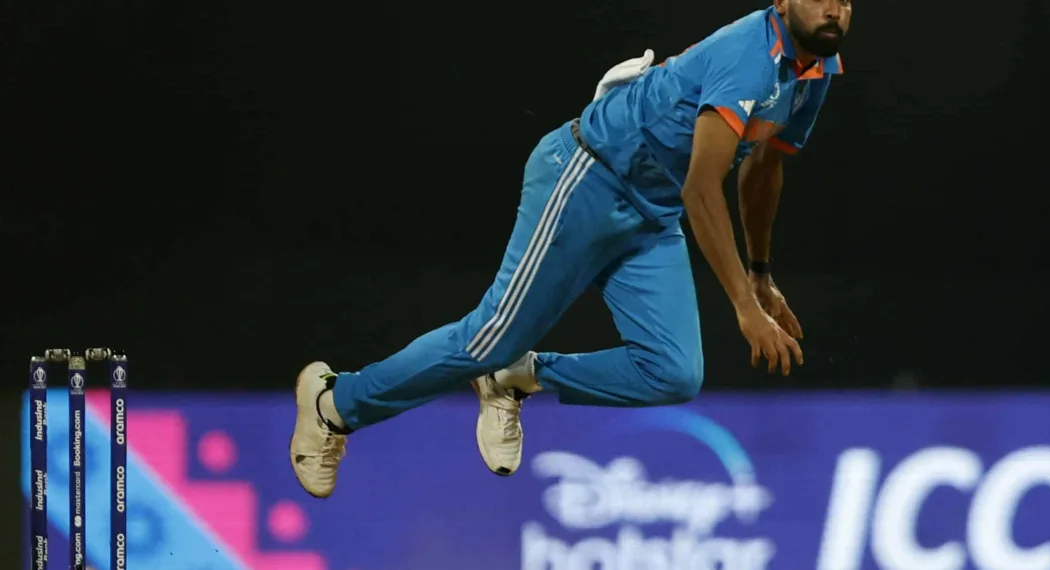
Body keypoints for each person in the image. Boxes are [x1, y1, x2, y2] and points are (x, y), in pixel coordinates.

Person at [290, 0, 851, 498]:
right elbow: (702, 189)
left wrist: (759, 272)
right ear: (783, 2)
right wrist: (743, 309)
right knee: (491, 337)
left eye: (845, 0)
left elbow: (764, 168)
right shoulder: (749, 53)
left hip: (652, 212)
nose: (834, 9)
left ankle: (515, 377)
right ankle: (334, 403)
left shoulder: (816, 69)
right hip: (590, 177)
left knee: (673, 373)